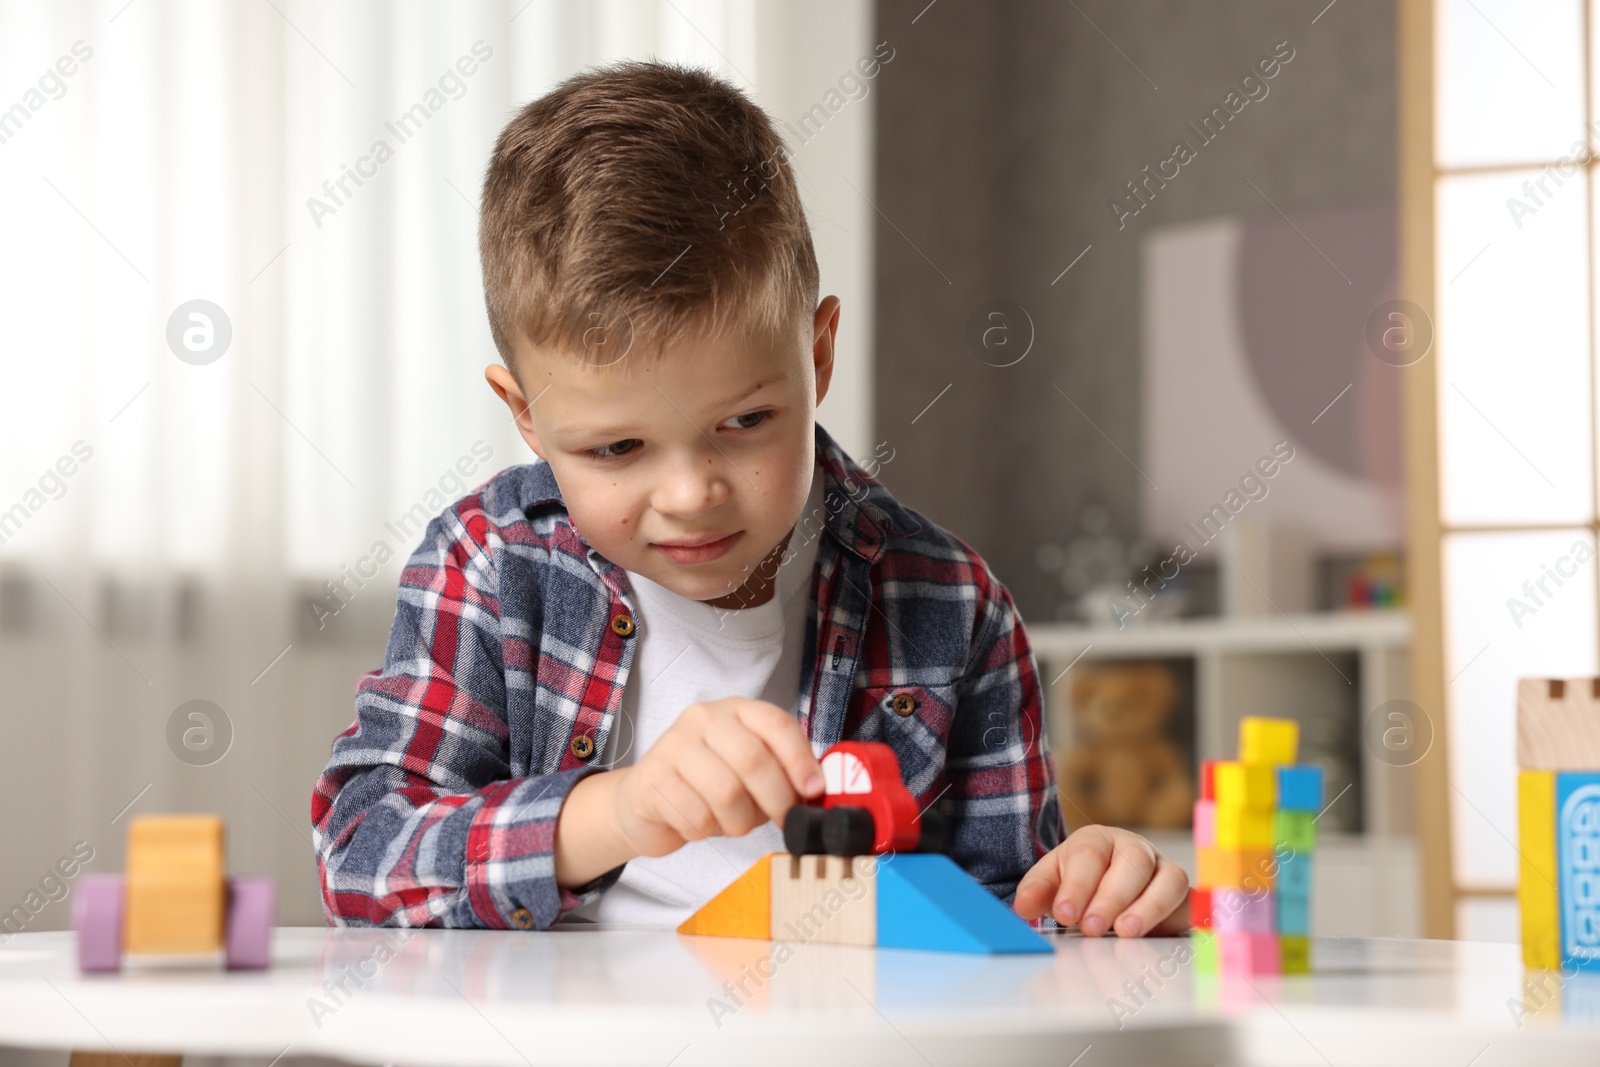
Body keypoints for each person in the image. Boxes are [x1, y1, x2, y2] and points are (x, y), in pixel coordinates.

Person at [311, 60, 1190, 939]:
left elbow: (1002, 931)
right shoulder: (492, 563)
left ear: (817, 358)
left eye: (744, 421)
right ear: (527, 416)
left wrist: (1086, 893)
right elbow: (360, 854)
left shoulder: (951, 607)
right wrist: (613, 813)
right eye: (618, 447)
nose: (692, 494)